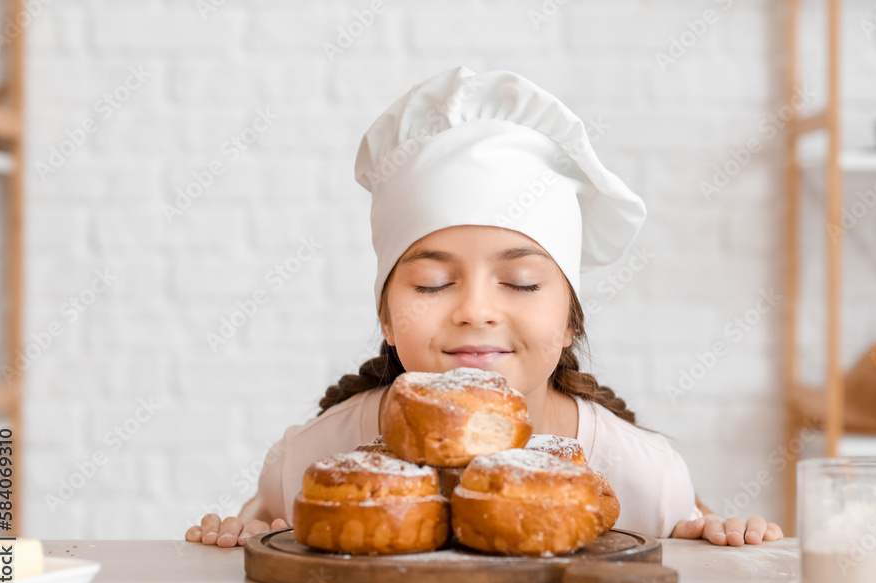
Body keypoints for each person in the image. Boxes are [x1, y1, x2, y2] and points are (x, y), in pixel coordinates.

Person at [186, 66, 783, 549]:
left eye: (520, 282)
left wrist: (720, 536)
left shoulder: (642, 475)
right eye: (431, 283)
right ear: (387, 318)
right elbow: (264, 540)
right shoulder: (315, 460)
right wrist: (240, 530)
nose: (475, 310)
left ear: (571, 317)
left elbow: (686, 556)